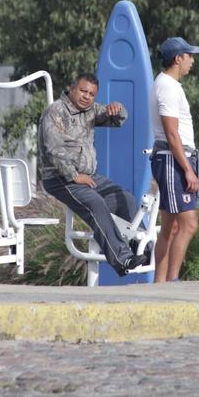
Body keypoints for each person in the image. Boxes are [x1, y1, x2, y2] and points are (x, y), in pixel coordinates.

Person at [39, 73, 149, 276]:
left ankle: (145, 251)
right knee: (96, 204)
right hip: (61, 178)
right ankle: (122, 259)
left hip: (88, 177)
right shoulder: (55, 112)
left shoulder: (90, 110)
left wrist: (117, 109)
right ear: (71, 89)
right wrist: (73, 176)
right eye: (83, 91)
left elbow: (117, 118)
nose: (86, 97)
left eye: (91, 93)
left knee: (125, 198)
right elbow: (53, 149)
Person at [150, 37, 199, 283]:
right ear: (177, 58)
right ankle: (172, 283)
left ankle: (159, 284)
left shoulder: (167, 84)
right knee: (188, 224)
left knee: (171, 227)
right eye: (189, 55)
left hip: (174, 158)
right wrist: (188, 170)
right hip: (173, 160)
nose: (192, 60)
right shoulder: (168, 87)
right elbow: (172, 134)